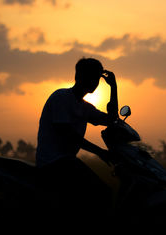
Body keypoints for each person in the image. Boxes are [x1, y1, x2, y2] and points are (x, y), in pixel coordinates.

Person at [35, 57, 118, 227]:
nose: (94, 82)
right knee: (102, 193)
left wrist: (114, 88)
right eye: (91, 76)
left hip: (66, 162)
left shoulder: (85, 107)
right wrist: (100, 152)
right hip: (53, 162)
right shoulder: (61, 97)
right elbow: (67, 134)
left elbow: (111, 119)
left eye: (97, 78)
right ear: (78, 77)